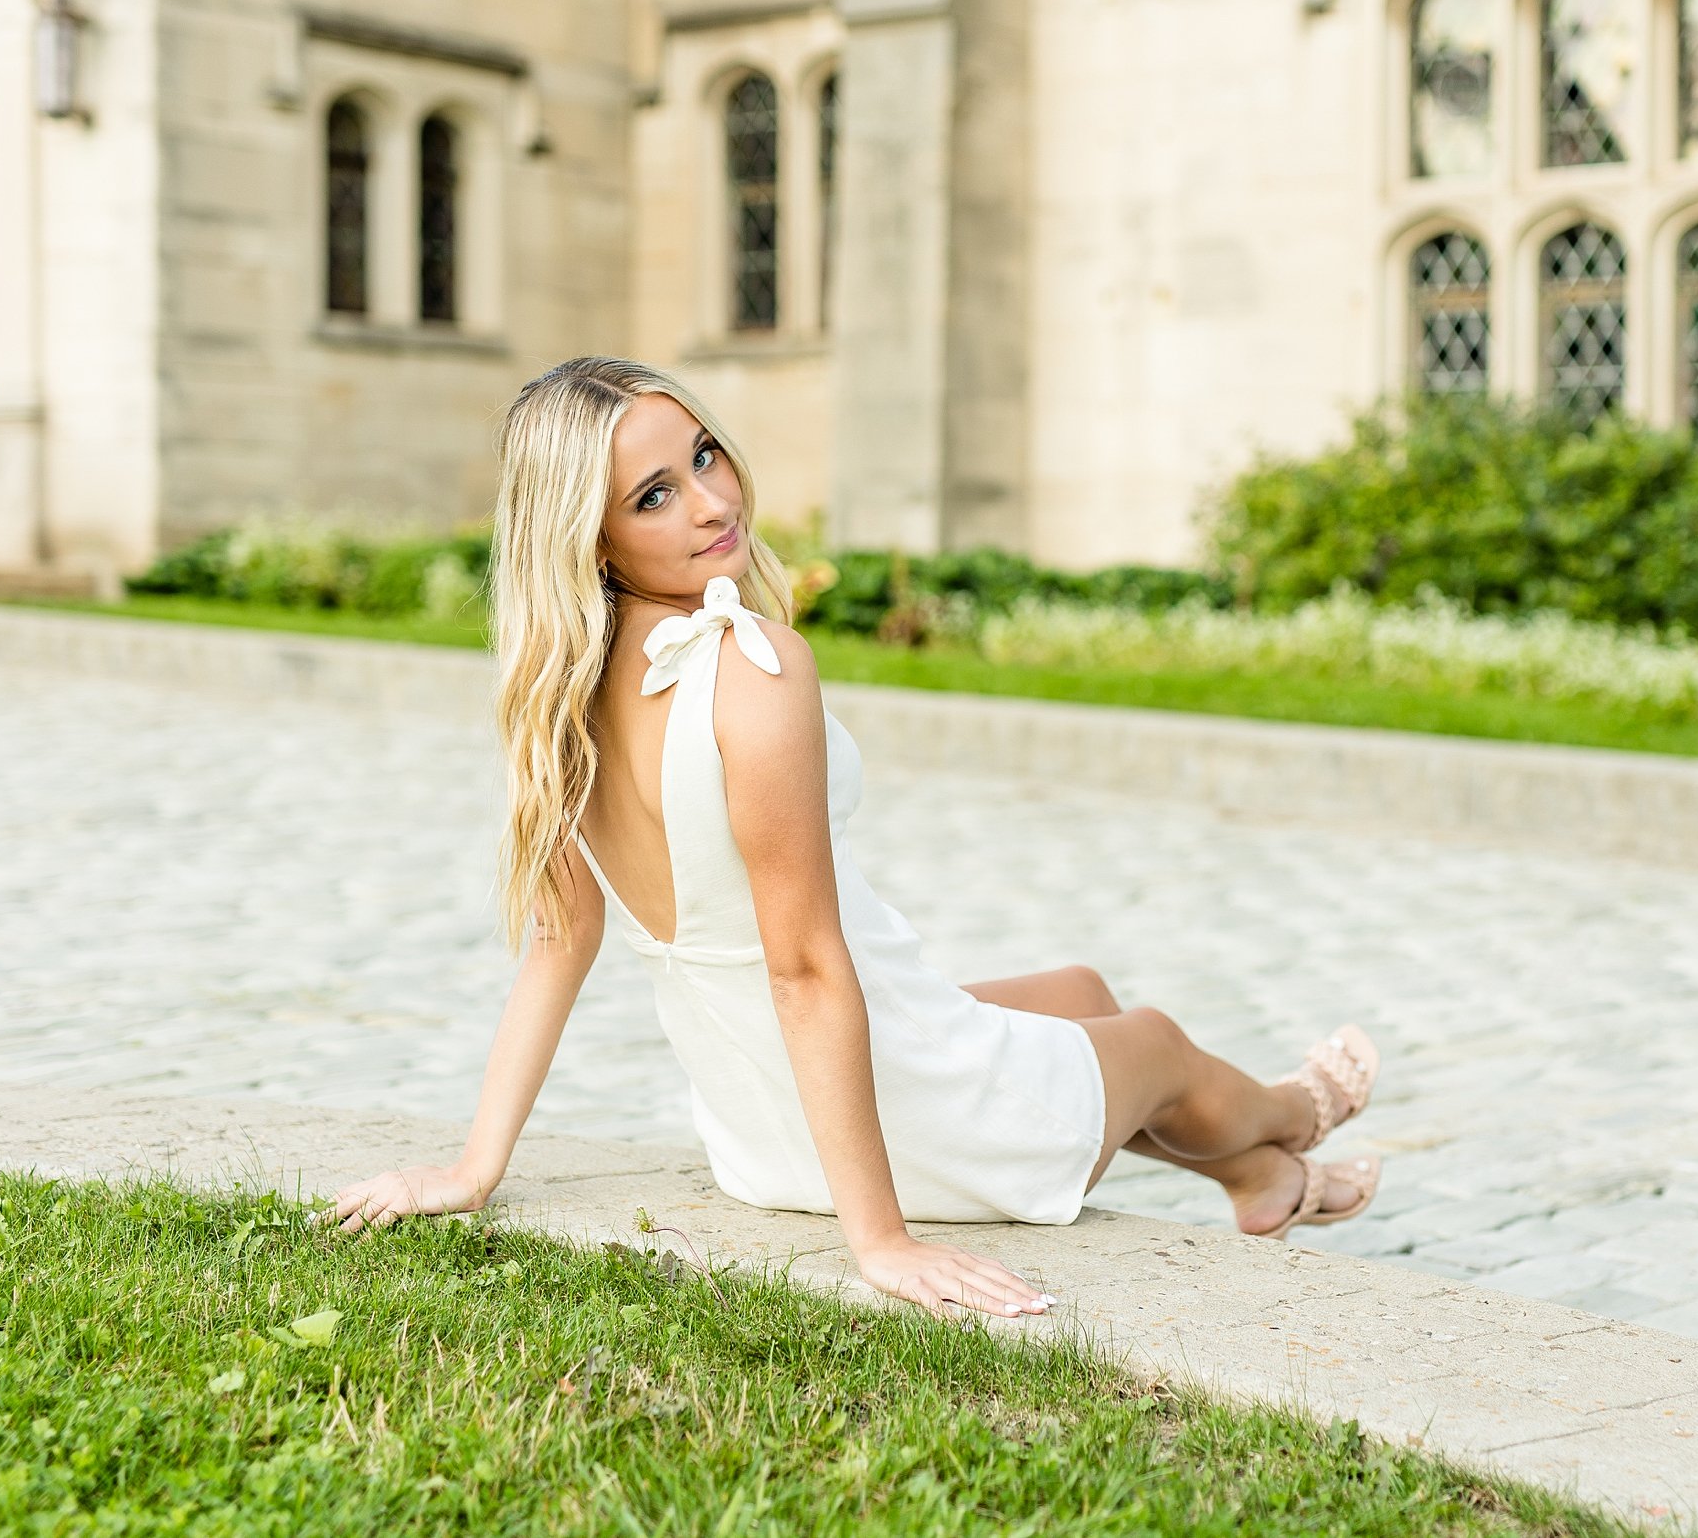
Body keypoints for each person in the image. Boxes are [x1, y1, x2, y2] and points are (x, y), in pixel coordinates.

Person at [328, 358, 1382, 1319]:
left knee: (1076, 988)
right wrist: (879, 1239)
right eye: (654, 495)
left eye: (702, 455)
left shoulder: (565, 695)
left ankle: (1256, 1180)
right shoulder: (751, 665)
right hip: (895, 1130)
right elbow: (802, 966)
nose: (710, 500)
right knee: (1148, 1039)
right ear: (588, 536)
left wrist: (473, 1169)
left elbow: (561, 939)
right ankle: (1294, 1114)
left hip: (762, 1133)